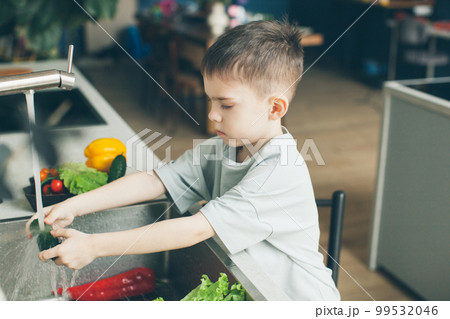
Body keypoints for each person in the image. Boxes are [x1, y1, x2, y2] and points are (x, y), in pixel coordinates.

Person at [26, 20, 340, 301]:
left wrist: (94, 246)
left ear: (275, 108)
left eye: (226, 105)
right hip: (253, 286)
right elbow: (155, 180)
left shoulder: (278, 171)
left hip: (295, 300)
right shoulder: (224, 146)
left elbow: (195, 230)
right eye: (210, 100)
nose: (212, 114)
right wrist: (73, 205)